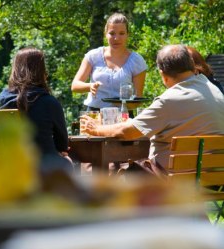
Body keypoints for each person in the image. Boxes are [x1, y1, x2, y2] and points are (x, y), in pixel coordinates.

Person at [81, 44, 224, 174]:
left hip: (170, 180)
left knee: (117, 180)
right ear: (192, 67)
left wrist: (96, 129)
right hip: (212, 178)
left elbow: (125, 132)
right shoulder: (216, 92)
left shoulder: (170, 100)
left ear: (163, 75)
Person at [0, 47, 74, 174]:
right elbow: (62, 144)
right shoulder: (49, 102)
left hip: (9, 168)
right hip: (44, 168)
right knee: (68, 161)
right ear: (42, 71)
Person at [72, 13, 147, 111]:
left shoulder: (137, 61)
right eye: (112, 33)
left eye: (121, 33)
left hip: (122, 115)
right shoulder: (93, 56)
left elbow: (138, 99)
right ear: (105, 34)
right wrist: (90, 86)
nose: (116, 38)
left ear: (127, 35)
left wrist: (122, 104)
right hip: (94, 114)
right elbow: (75, 85)